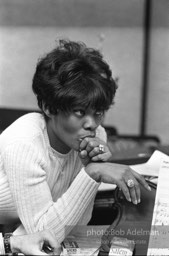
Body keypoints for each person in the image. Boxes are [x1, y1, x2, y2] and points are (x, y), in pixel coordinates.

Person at [0, 39, 151, 243]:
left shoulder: (96, 135)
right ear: (48, 107)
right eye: (80, 111)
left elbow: (75, 227)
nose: (92, 124)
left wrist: (90, 169)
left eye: (98, 113)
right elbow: (45, 235)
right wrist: (92, 172)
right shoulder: (25, 142)